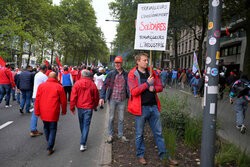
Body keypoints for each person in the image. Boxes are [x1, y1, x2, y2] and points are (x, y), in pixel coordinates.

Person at [127, 53, 178, 165]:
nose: (146, 62)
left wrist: (154, 88)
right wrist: (146, 84)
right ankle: (140, 155)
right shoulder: (132, 74)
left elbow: (160, 87)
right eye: (144, 60)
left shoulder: (152, 72)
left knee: (158, 133)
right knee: (139, 133)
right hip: (141, 108)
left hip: (154, 107)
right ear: (138, 61)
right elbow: (133, 92)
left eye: (147, 60)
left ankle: (164, 155)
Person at [35, 72, 67, 155]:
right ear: (56, 77)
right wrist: (64, 110)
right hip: (53, 110)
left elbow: (37, 100)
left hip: (43, 110)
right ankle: (50, 147)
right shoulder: (59, 87)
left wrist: (37, 111)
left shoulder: (41, 86)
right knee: (53, 128)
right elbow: (63, 101)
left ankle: (48, 141)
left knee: (46, 127)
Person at [99, 56, 129, 143]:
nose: (117, 65)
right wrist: (101, 97)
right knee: (111, 118)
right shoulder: (111, 74)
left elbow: (130, 86)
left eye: (119, 63)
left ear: (121, 64)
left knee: (121, 118)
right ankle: (110, 135)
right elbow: (104, 85)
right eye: (116, 63)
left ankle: (120, 135)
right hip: (112, 99)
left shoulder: (126, 74)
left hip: (122, 100)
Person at [70, 70, 99, 151]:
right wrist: (95, 105)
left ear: (81, 75)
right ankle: (83, 142)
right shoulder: (92, 84)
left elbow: (73, 97)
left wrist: (72, 107)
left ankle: (83, 139)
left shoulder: (77, 84)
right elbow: (96, 96)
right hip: (89, 107)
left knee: (82, 123)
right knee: (86, 124)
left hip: (80, 107)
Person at [30, 64, 48, 137]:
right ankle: (46, 128)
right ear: (45, 69)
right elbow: (48, 86)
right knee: (44, 112)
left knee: (35, 112)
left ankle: (33, 129)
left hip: (35, 95)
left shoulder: (37, 75)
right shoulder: (44, 76)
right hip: (40, 96)